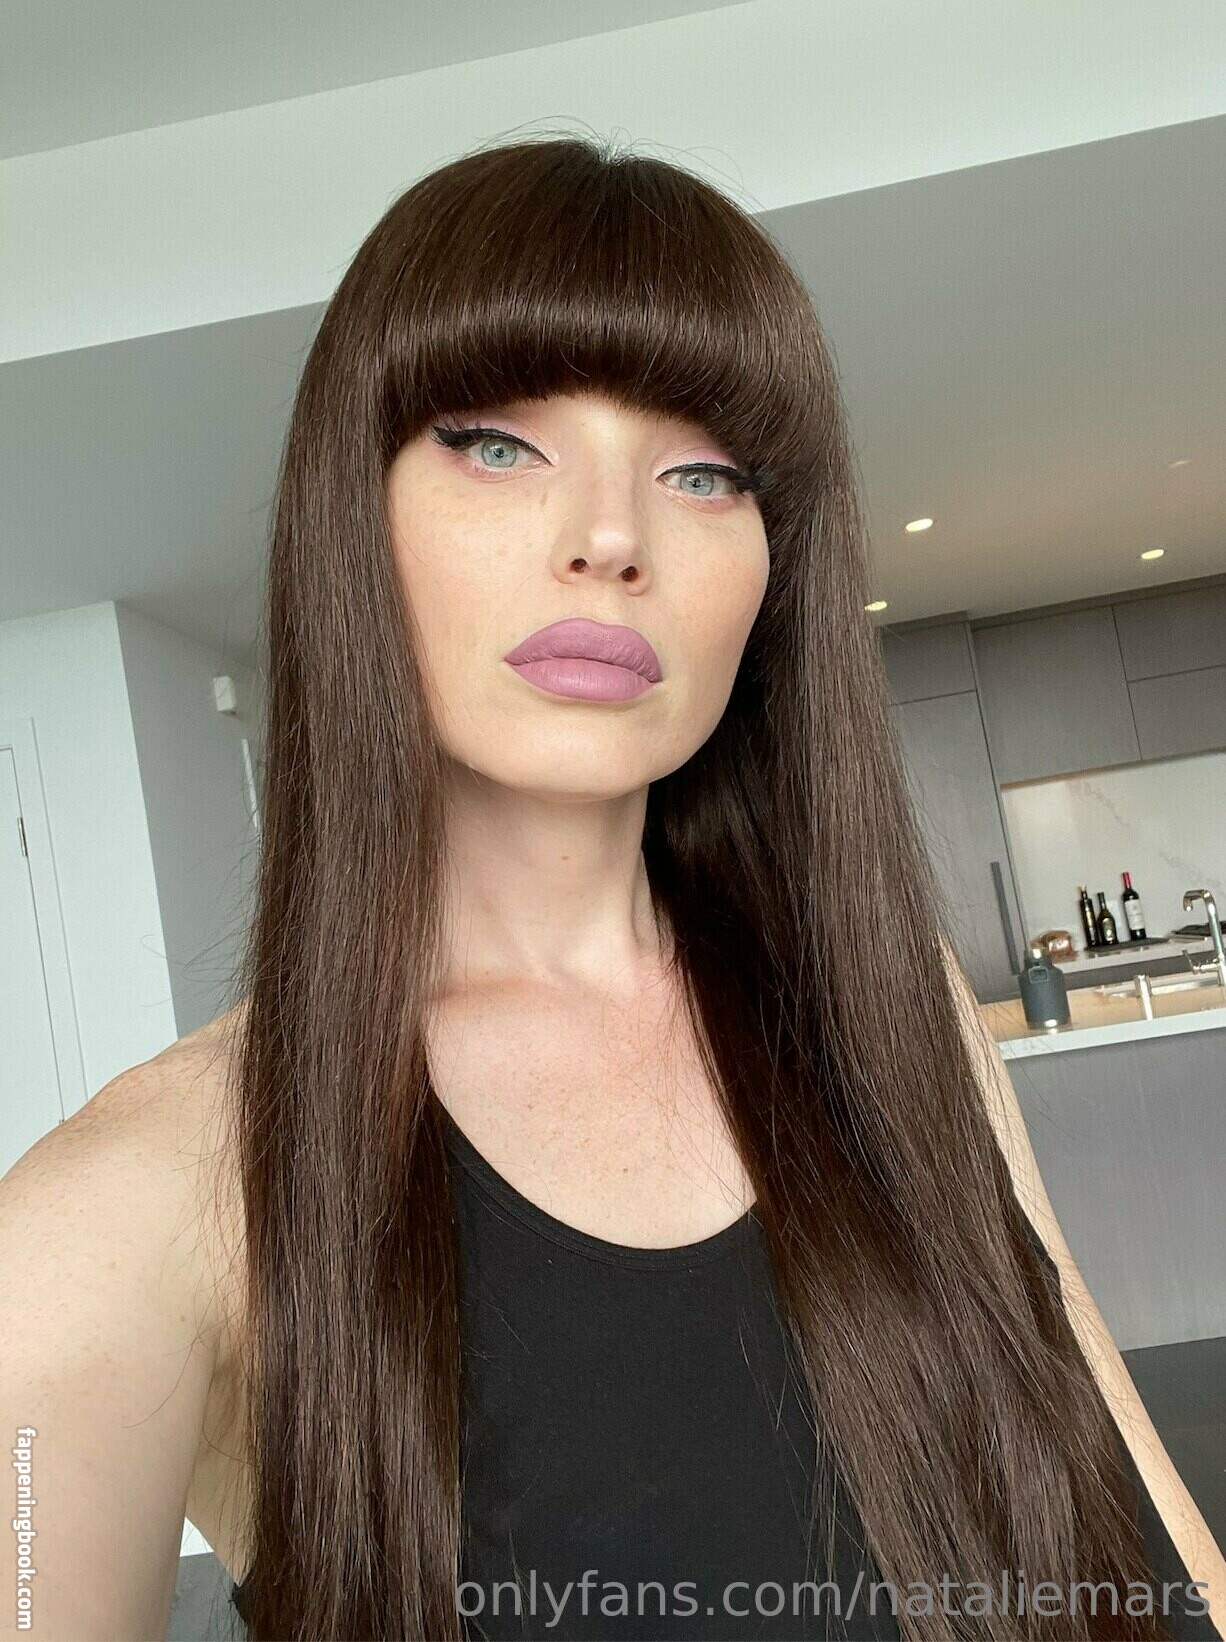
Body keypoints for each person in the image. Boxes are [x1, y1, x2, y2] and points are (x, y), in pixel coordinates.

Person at [0, 132, 1222, 1642]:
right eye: (493, 442)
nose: (609, 537)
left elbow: (1150, 1536)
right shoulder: (140, 1201)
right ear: (349, 513)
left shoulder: (884, 1000)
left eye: (703, 472)